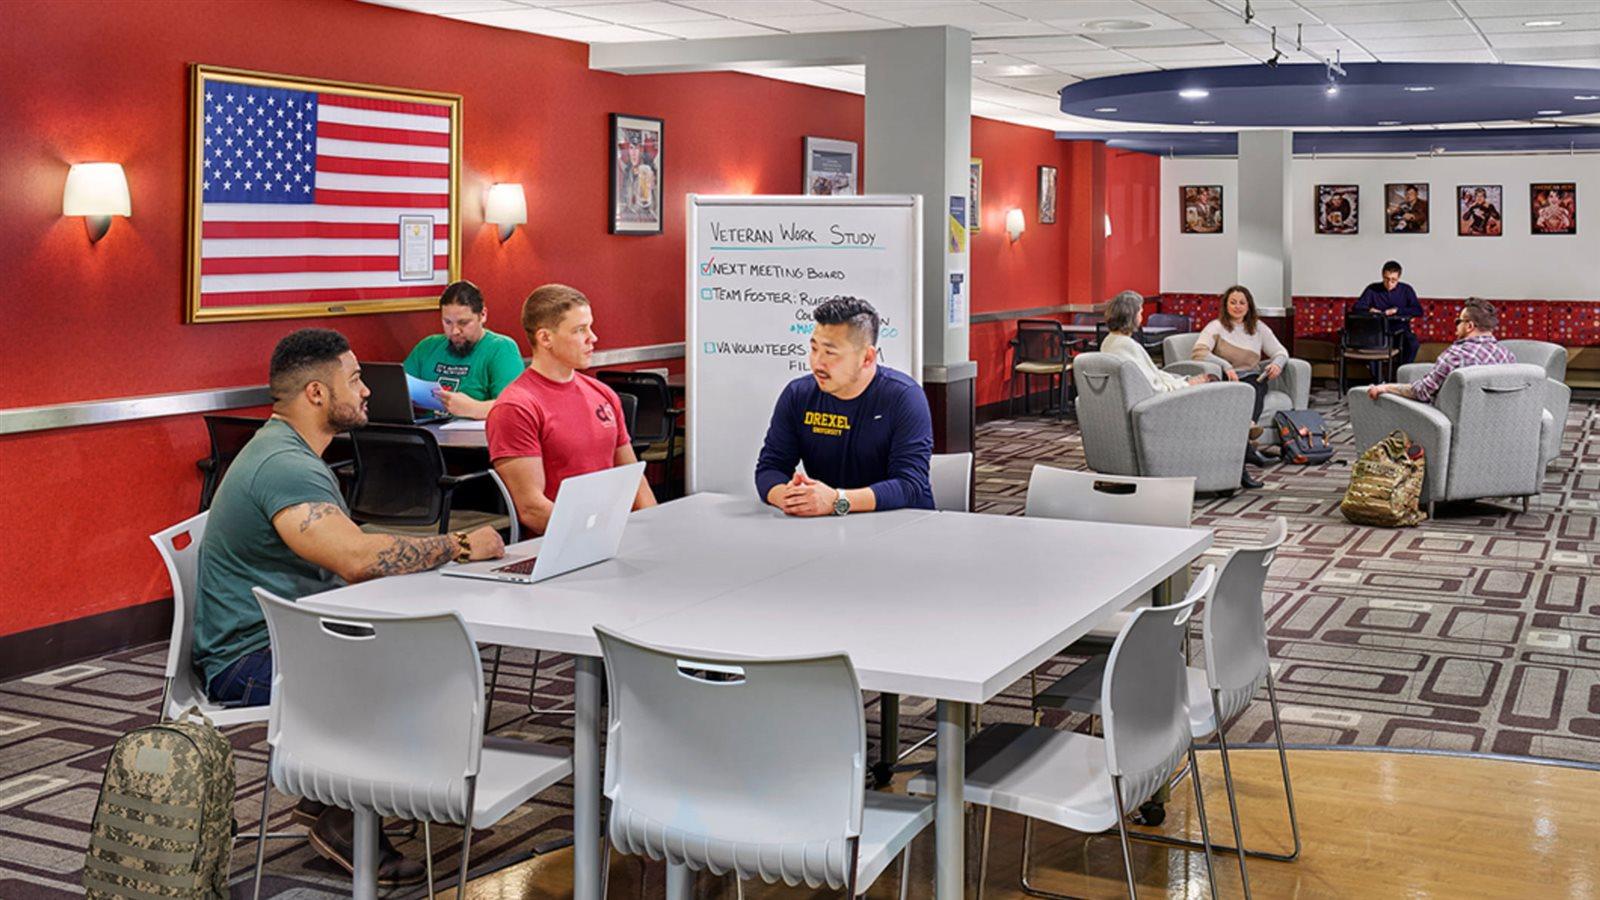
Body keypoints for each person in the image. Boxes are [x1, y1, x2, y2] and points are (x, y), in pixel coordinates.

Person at [193, 328, 507, 884]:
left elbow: (350, 546)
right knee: (419, 675)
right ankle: (341, 814)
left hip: (283, 639)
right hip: (248, 662)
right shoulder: (284, 466)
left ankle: (331, 798)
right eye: (355, 378)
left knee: (418, 660)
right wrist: (459, 545)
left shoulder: (289, 452)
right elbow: (355, 558)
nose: (367, 391)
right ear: (317, 393)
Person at [488, 284, 656, 535]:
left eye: (590, 326)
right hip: (562, 545)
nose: (593, 338)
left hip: (612, 535)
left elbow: (634, 479)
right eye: (580, 330)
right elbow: (532, 508)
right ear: (545, 338)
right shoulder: (516, 407)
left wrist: (655, 530)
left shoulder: (603, 394)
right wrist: (595, 535)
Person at [755, 296, 934, 515]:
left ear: (867, 358)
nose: (817, 362)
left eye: (830, 352)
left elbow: (910, 486)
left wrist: (837, 501)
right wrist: (789, 498)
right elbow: (770, 468)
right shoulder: (798, 395)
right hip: (827, 529)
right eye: (814, 349)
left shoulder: (904, 397)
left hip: (902, 526)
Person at [1098, 290, 1265, 489]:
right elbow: (1155, 387)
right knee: (1213, 392)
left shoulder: (1110, 342)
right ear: (1131, 314)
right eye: (1140, 311)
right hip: (1159, 409)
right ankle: (1242, 439)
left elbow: (1150, 377)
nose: (1141, 316)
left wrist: (1184, 380)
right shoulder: (1127, 346)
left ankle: (1243, 435)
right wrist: (1187, 385)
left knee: (1210, 383)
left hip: (1147, 405)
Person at [1191, 284, 1287, 466]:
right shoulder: (1216, 326)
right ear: (1226, 305)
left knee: (1258, 384)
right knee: (1249, 386)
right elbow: (1199, 352)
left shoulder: (1258, 328)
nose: (1237, 306)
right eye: (1233, 302)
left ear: (1249, 306)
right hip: (1227, 377)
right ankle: (1249, 439)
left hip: (1251, 377)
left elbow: (1281, 351)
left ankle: (1250, 427)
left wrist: (1277, 364)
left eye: (1242, 303)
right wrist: (1226, 365)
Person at [402, 280, 525, 420]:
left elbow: (514, 408)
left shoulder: (501, 348)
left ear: (482, 315)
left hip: (473, 438)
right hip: (425, 434)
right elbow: (397, 390)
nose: (454, 331)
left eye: (463, 323)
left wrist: (473, 408)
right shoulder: (427, 346)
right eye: (447, 322)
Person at [1365, 298, 1516, 404]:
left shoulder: (1455, 355)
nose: (1456, 326)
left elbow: (1421, 392)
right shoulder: (1508, 357)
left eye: (1458, 322)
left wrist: (1385, 387)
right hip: (1493, 428)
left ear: (1469, 326)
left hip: (1453, 426)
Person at [1353, 259, 1424, 375]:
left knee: (1413, 344)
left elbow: (1418, 310)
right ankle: (1378, 381)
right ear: (1382, 275)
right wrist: (1370, 310)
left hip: (1400, 331)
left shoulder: (1406, 290)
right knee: (1370, 346)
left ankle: (1400, 374)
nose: (1389, 283)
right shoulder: (1372, 289)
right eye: (1386, 279)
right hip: (1377, 332)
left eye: (1393, 280)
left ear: (1399, 278)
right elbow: (1357, 308)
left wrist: (1397, 310)